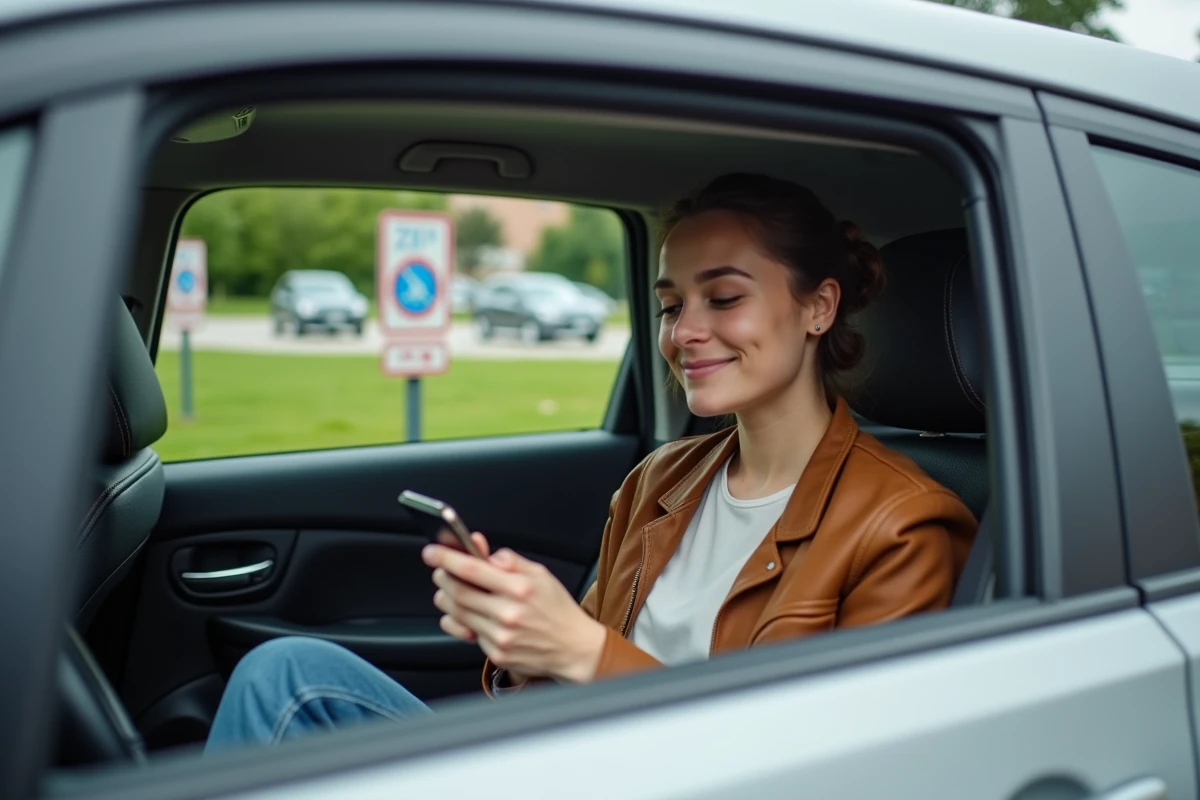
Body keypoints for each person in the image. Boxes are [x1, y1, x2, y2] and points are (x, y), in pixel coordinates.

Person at [204, 173, 978, 753]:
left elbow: (831, 772)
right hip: (568, 767)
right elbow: (563, 693)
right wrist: (520, 643)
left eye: (723, 298)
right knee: (287, 673)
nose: (683, 332)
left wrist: (581, 649)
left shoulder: (905, 527)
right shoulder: (662, 480)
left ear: (819, 307)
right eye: (671, 305)